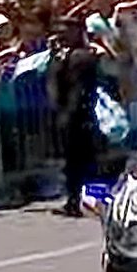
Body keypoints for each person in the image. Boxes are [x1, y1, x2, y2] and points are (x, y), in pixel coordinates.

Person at [48, 15, 100, 217]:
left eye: (68, 30)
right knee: (79, 161)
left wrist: (69, 114)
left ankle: (76, 201)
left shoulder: (80, 57)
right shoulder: (73, 55)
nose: (63, 34)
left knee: (77, 161)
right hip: (79, 114)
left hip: (77, 115)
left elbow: (75, 88)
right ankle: (79, 199)